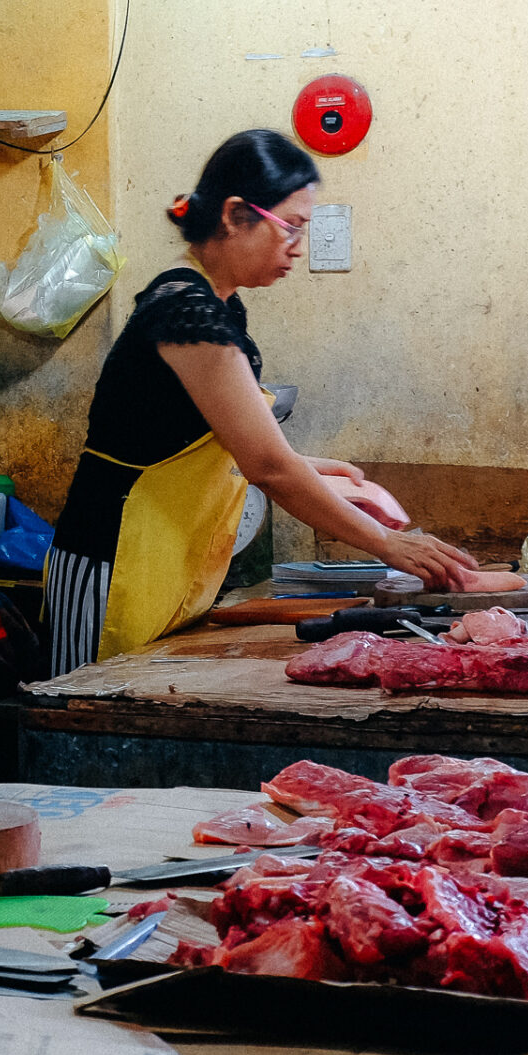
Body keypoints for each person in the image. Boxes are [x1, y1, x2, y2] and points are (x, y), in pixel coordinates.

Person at [43, 129, 476, 674]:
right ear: (233, 215)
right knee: (87, 717)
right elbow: (266, 465)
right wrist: (390, 546)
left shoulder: (219, 307)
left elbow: (210, 442)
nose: (297, 245)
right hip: (111, 558)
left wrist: (326, 473)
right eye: (289, 227)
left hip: (158, 559)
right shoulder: (185, 313)